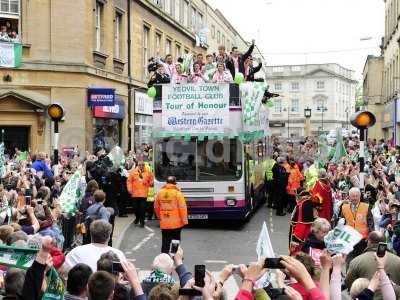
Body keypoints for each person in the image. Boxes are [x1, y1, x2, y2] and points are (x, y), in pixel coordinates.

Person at [345, 231, 400, 299]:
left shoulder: (356, 261)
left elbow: (349, 284)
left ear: (369, 241)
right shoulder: (398, 260)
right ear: (385, 242)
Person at [154, 176, 188, 253]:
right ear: (175, 183)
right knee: (175, 240)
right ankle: (174, 255)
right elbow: (182, 208)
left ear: (166, 183)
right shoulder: (178, 194)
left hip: (164, 222)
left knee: (165, 240)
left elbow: (156, 206)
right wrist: (184, 221)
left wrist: (159, 217)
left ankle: (164, 256)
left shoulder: (160, 193)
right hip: (176, 223)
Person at [337, 187, 374, 257]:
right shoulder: (344, 207)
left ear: (360, 196)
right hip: (349, 240)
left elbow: (371, 223)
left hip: (363, 240)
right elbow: (341, 223)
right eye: (353, 196)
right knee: (350, 260)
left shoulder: (366, 207)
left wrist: (371, 237)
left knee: (362, 260)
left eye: (356, 196)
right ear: (349, 197)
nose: (355, 198)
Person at [127, 160, 154, 227]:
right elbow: (129, 181)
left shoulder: (148, 172)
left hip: (143, 194)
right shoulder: (133, 172)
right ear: (137, 165)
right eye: (140, 165)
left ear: (144, 165)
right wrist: (129, 189)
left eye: (142, 165)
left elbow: (151, 181)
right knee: (135, 208)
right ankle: (137, 217)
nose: (141, 166)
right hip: (135, 194)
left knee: (143, 208)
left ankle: (142, 222)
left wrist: (150, 183)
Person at [289, 190, 316, 255]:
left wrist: (295, 241)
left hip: (299, 237)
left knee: (295, 255)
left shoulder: (303, 205)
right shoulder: (307, 203)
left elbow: (301, 225)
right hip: (304, 236)